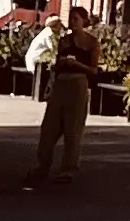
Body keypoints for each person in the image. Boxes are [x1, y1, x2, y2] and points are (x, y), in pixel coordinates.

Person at [26, 14, 102, 188]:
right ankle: (43, 164)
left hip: (78, 83)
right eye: (71, 18)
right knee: (49, 127)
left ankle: (68, 168)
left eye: (76, 18)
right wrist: (55, 75)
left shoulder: (91, 42)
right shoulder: (64, 40)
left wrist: (76, 64)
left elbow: (94, 70)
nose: (73, 22)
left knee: (72, 128)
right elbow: (57, 65)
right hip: (61, 83)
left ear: (84, 22)